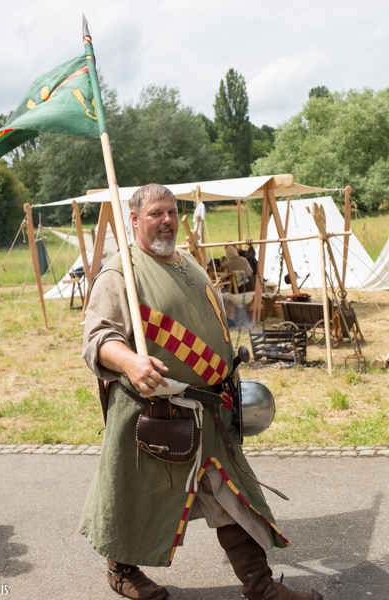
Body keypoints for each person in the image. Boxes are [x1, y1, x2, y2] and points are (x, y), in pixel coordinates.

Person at [79, 183, 323, 600]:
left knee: (231, 494)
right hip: (155, 414)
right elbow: (98, 338)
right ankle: (120, 571)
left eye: (172, 212)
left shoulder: (186, 261)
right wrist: (131, 361)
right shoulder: (121, 273)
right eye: (156, 213)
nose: (167, 220)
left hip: (209, 412)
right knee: (136, 497)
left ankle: (259, 584)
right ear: (134, 220)